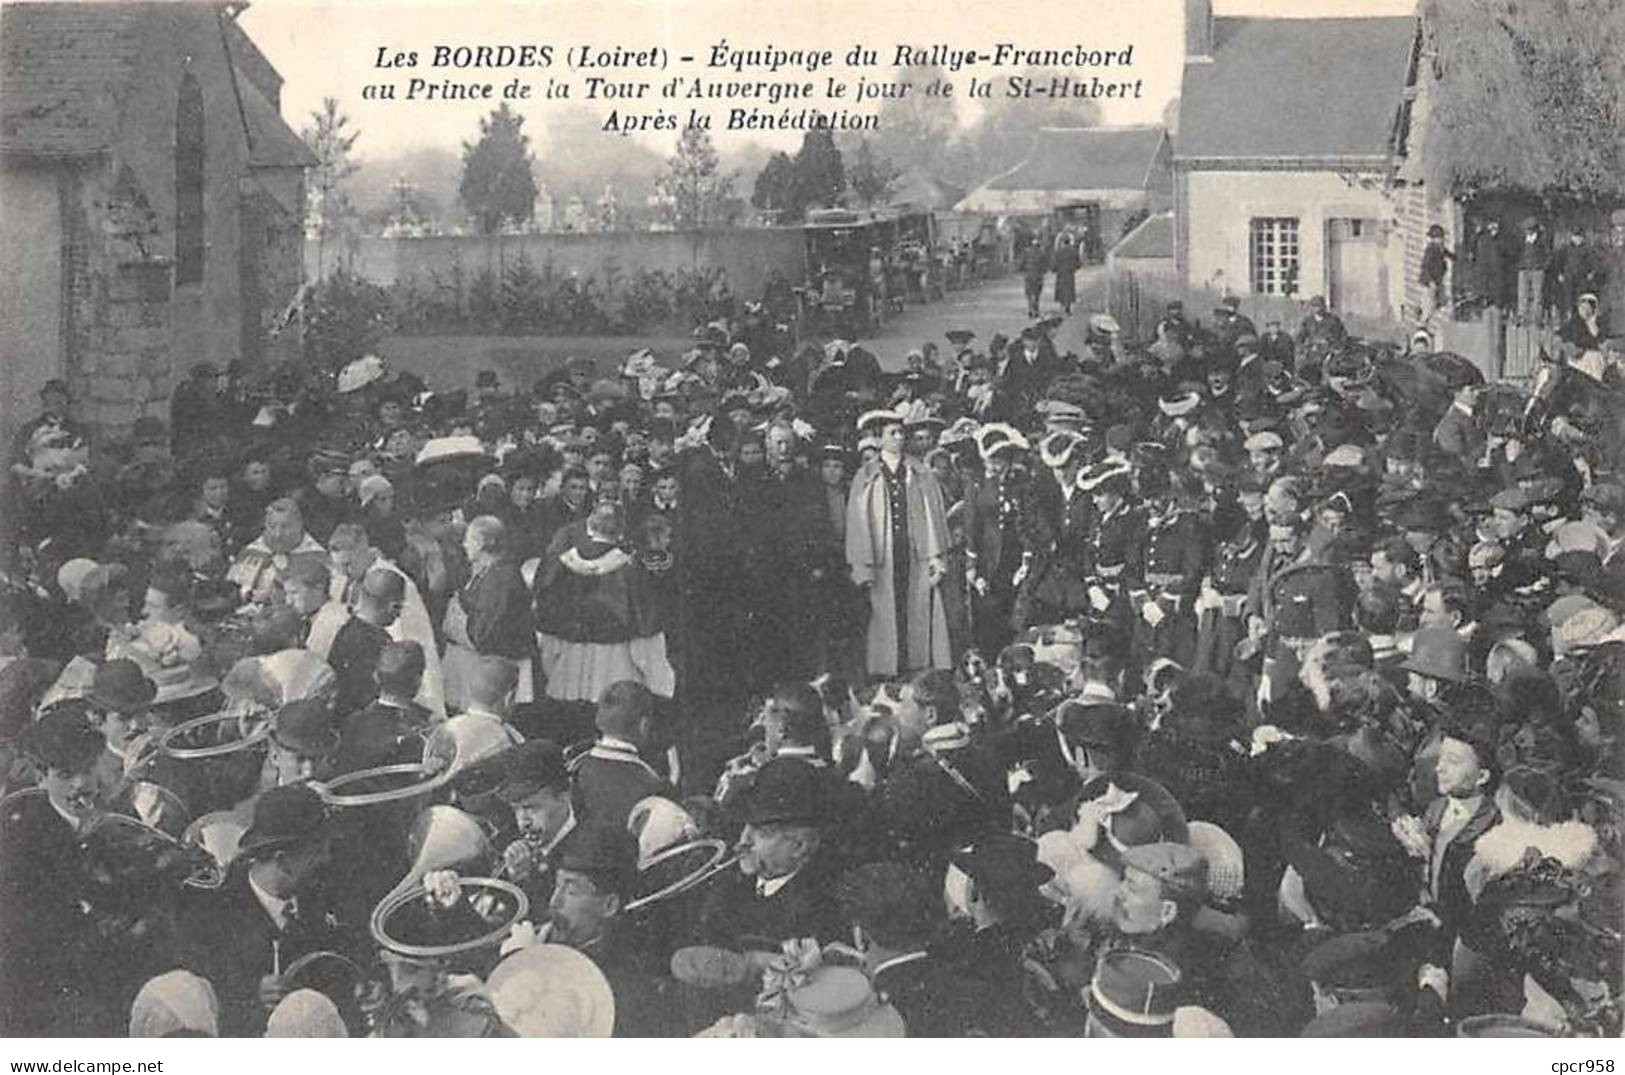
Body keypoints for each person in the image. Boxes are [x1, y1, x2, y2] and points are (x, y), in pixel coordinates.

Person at [846, 408, 952, 678]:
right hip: (883, 555)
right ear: (879, 439)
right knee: (883, 612)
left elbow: (932, 514)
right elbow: (858, 523)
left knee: (916, 609)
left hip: (914, 552)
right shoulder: (867, 475)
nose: (899, 438)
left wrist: (935, 555)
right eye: (892, 433)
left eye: (901, 432)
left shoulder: (919, 472)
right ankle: (885, 669)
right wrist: (862, 564)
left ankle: (915, 666)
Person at [442, 515, 532, 713]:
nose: (465, 545)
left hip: (492, 669)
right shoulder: (488, 570)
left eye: (468, 539)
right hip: (477, 662)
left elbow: (484, 633)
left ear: (482, 542)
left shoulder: (501, 577)